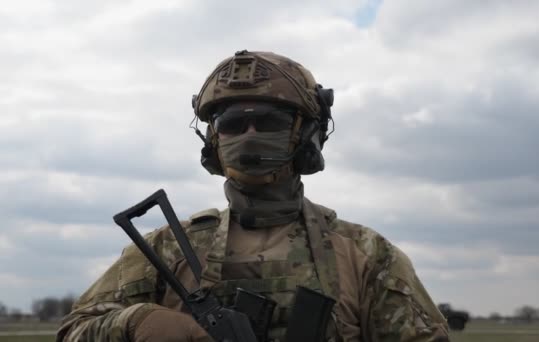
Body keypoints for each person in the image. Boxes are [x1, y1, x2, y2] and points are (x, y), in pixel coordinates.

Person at [57, 50, 450, 341]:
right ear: (213, 140)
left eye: (268, 121)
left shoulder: (366, 256)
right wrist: (133, 323)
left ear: (307, 134)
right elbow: (74, 331)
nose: (249, 135)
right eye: (231, 123)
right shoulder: (165, 251)